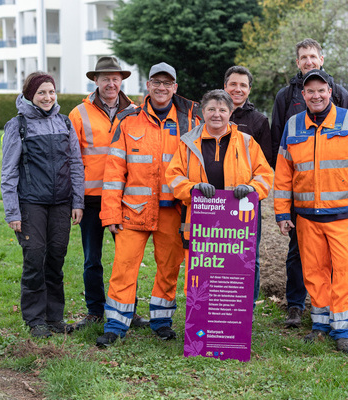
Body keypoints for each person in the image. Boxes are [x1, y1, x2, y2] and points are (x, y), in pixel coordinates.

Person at [96, 62, 200, 347]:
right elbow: (114, 171)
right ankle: (116, 324)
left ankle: (162, 322)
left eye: (168, 83)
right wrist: (111, 213)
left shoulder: (191, 120)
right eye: (157, 82)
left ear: (175, 87)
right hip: (134, 210)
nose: (162, 88)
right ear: (148, 85)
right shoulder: (129, 119)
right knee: (123, 267)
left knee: (169, 268)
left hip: (173, 211)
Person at [274, 69, 348, 354]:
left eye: (321, 90)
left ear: (330, 92)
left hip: (343, 217)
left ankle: (343, 330)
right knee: (314, 273)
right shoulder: (293, 125)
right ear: (303, 95)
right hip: (306, 217)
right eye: (310, 91)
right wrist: (282, 213)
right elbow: (283, 174)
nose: (316, 96)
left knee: (343, 274)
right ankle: (320, 326)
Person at [270, 38, 348, 329]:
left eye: (313, 56)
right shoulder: (284, 96)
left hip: (332, 193)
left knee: (331, 253)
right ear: (297, 63)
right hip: (298, 188)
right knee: (297, 250)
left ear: (322, 59)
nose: (308, 61)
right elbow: (277, 142)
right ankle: (295, 304)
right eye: (303, 57)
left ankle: (329, 306)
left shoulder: (339, 93)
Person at [166, 89, 274, 300]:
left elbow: (264, 174)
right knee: (198, 275)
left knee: (231, 276)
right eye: (211, 109)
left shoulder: (246, 142)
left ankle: (229, 325)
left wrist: (252, 189)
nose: (217, 114)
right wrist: (193, 188)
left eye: (222, 110)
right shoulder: (187, 143)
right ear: (202, 111)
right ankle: (198, 327)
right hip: (198, 222)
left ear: (230, 112)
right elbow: (174, 177)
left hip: (235, 228)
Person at [1, 72, 84, 338]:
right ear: (30, 95)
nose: (47, 97)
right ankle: (35, 319)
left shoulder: (65, 123)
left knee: (56, 258)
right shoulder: (18, 126)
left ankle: (54, 318)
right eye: (41, 93)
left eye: (51, 92)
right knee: (35, 257)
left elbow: (76, 165)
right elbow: (9, 173)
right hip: (31, 205)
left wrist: (77, 202)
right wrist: (13, 211)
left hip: (61, 204)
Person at [69, 56, 149, 330]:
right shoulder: (79, 113)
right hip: (91, 198)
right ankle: (94, 310)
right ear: (95, 81)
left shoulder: (136, 112)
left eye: (115, 78)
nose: (111, 83)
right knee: (92, 258)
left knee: (127, 258)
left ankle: (130, 310)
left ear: (122, 80)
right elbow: (72, 159)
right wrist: (76, 200)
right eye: (105, 79)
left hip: (125, 199)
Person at [223, 65, 273, 312]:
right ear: (225, 86)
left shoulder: (259, 121)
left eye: (243, 85)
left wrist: (250, 188)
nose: (237, 89)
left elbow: (266, 164)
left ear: (249, 90)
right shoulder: (212, 113)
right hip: (214, 200)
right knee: (215, 252)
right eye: (233, 84)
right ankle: (218, 304)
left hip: (246, 199)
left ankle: (247, 308)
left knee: (247, 253)